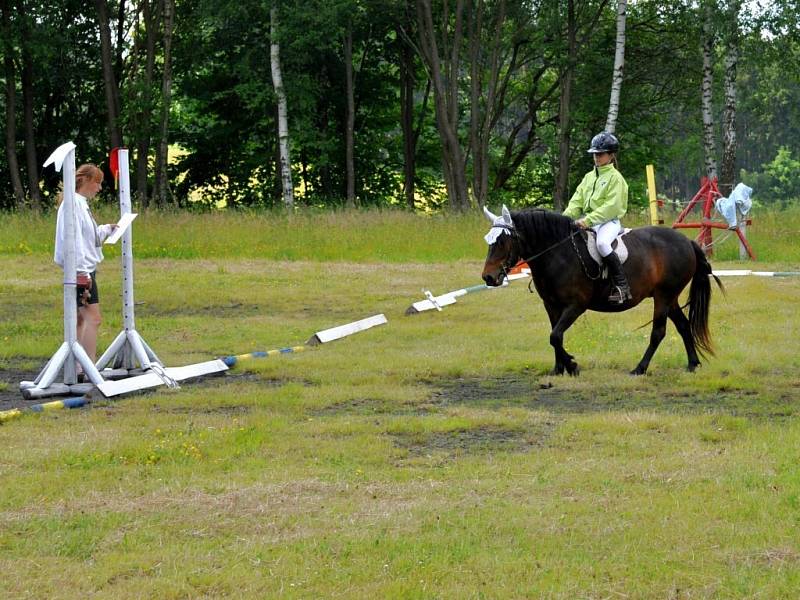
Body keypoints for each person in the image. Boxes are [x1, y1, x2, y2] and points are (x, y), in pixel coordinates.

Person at [54, 163, 117, 371]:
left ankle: (79, 367)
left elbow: (87, 237)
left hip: (84, 267)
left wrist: (107, 229)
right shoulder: (73, 204)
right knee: (93, 318)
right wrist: (82, 273)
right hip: (81, 269)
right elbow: (72, 241)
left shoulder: (81, 204)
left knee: (81, 318)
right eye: (97, 183)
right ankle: (89, 367)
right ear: (87, 181)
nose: (99, 188)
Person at [563, 131, 632, 304]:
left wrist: (587, 220)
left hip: (608, 222)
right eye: (594, 154)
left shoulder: (616, 178)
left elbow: (612, 207)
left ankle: (623, 287)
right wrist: (564, 220)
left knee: (602, 244)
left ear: (611, 155)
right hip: (590, 221)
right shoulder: (588, 177)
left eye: (600, 154)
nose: (596, 157)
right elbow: (576, 201)